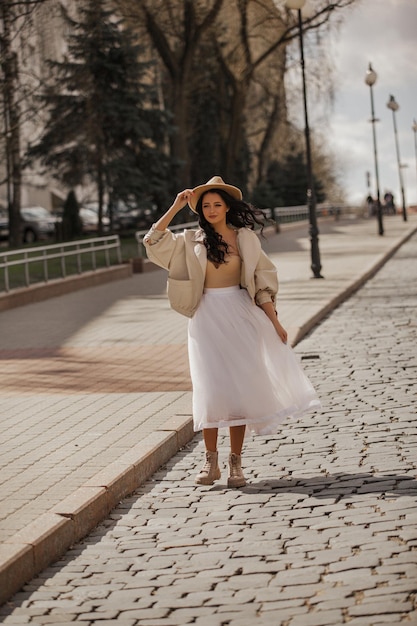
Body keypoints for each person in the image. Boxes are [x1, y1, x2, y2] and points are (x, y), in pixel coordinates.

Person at [144, 176, 320, 488]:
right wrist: (175, 206)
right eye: (206, 206)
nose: (211, 210)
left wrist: (276, 323)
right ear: (200, 211)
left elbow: (262, 284)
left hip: (242, 315)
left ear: (227, 207)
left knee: (239, 390)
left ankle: (235, 464)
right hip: (205, 318)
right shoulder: (189, 242)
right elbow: (153, 241)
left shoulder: (246, 240)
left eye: (217, 204)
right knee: (211, 388)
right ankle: (209, 462)